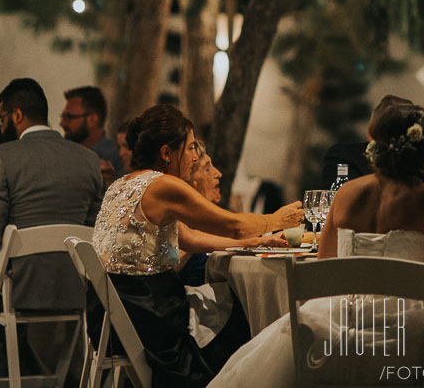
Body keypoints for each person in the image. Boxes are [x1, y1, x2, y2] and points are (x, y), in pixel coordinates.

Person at [210, 96, 424, 388]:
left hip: (342, 333)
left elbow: (324, 267)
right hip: (412, 338)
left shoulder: (346, 194)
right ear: (416, 146)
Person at [93, 105, 303, 388]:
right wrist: (276, 220)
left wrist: (256, 241)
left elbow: (189, 238)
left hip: (108, 318)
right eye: (190, 147)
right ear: (167, 153)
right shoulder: (163, 185)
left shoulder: (121, 184)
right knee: (246, 316)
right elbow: (233, 225)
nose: (194, 156)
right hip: (148, 319)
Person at [0, 78, 105, 388]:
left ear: (17, 115)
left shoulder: (1, 156)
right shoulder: (89, 160)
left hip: (18, 290)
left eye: (1, 118)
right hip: (74, 290)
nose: (0, 126)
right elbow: (94, 233)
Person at [176, 141, 285, 285]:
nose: (218, 174)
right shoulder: (180, 226)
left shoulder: (207, 223)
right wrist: (273, 224)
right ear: (187, 179)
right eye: (207, 168)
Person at [61, 85, 124, 184]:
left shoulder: (118, 156)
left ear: (92, 119)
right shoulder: (64, 154)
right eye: (62, 116)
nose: (62, 123)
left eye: (69, 117)